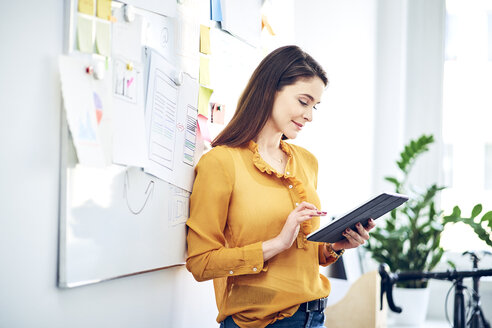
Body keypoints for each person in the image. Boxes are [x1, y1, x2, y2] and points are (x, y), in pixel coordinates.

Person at [185, 45, 376, 328]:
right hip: (262, 322)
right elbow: (200, 263)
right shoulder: (221, 163)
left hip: (315, 316)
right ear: (270, 90)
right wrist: (276, 244)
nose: (309, 115)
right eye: (303, 101)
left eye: (315, 106)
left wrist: (335, 247)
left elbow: (306, 253)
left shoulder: (307, 162)